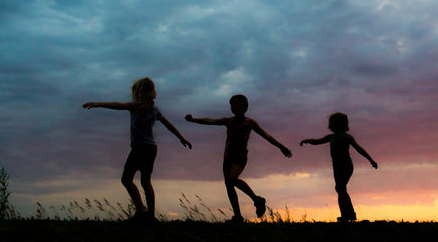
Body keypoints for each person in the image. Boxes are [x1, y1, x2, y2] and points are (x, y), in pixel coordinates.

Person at [83, 77, 192, 223]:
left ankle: (142, 211)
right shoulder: (154, 110)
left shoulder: (135, 106)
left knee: (126, 179)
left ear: (138, 92)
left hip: (140, 147)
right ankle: (150, 215)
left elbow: (117, 105)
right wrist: (181, 138)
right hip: (151, 148)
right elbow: (168, 124)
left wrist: (98, 104)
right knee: (145, 181)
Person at [185, 94, 292, 223]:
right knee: (229, 185)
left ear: (244, 106)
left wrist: (281, 147)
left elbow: (266, 135)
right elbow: (210, 121)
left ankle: (257, 199)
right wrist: (193, 119)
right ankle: (238, 216)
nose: (233, 106)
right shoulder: (228, 121)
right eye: (231, 104)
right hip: (227, 157)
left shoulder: (250, 123)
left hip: (240, 157)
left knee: (232, 179)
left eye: (236, 103)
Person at [300, 112, 377, 222]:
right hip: (336, 167)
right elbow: (318, 141)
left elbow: (359, 149)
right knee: (340, 189)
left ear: (340, 124)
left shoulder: (347, 137)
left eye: (333, 123)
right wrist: (307, 140)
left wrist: (371, 160)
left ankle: (349, 213)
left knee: (340, 188)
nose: (331, 125)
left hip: (346, 166)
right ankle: (346, 214)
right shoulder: (331, 137)